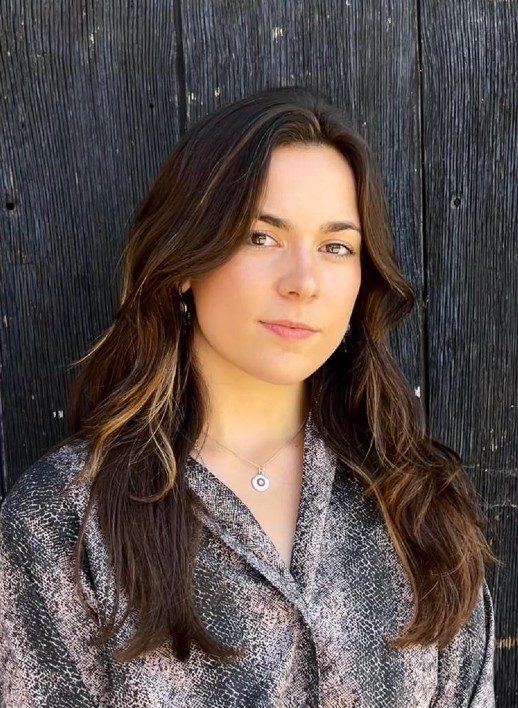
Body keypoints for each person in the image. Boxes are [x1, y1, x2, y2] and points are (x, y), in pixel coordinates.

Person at [0, 86, 497, 707]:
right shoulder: (65, 522)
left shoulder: (418, 507)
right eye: (261, 237)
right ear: (185, 261)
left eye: (336, 246)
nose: (303, 282)